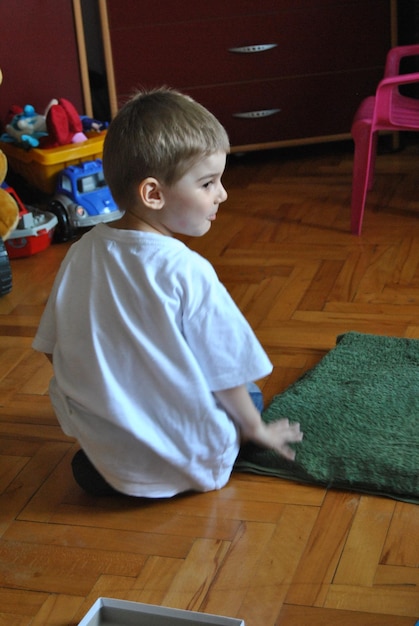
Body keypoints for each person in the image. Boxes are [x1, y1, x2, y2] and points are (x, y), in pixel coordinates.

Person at [32, 88, 303, 498]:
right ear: (153, 194)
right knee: (249, 393)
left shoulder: (80, 253)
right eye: (209, 183)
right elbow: (228, 369)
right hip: (197, 461)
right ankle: (190, 460)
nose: (222, 195)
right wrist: (255, 428)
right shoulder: (188, 270)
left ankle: (123, 468)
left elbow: (53, 349)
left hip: (112, 455)